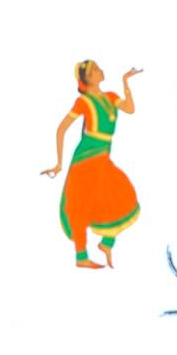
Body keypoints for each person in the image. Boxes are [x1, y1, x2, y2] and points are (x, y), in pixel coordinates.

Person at [41, 60, 142, 268]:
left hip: (103, 157)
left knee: (121, 194)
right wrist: (59, 163)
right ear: (87, 78)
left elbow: (130, 109)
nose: (101, 70)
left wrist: (125, 82)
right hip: (86, 158)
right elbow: (61, 129)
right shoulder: (83, 102)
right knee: (81, 205)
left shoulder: (111, 97)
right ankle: (81, 257)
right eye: (96, 69)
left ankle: (106, 243)